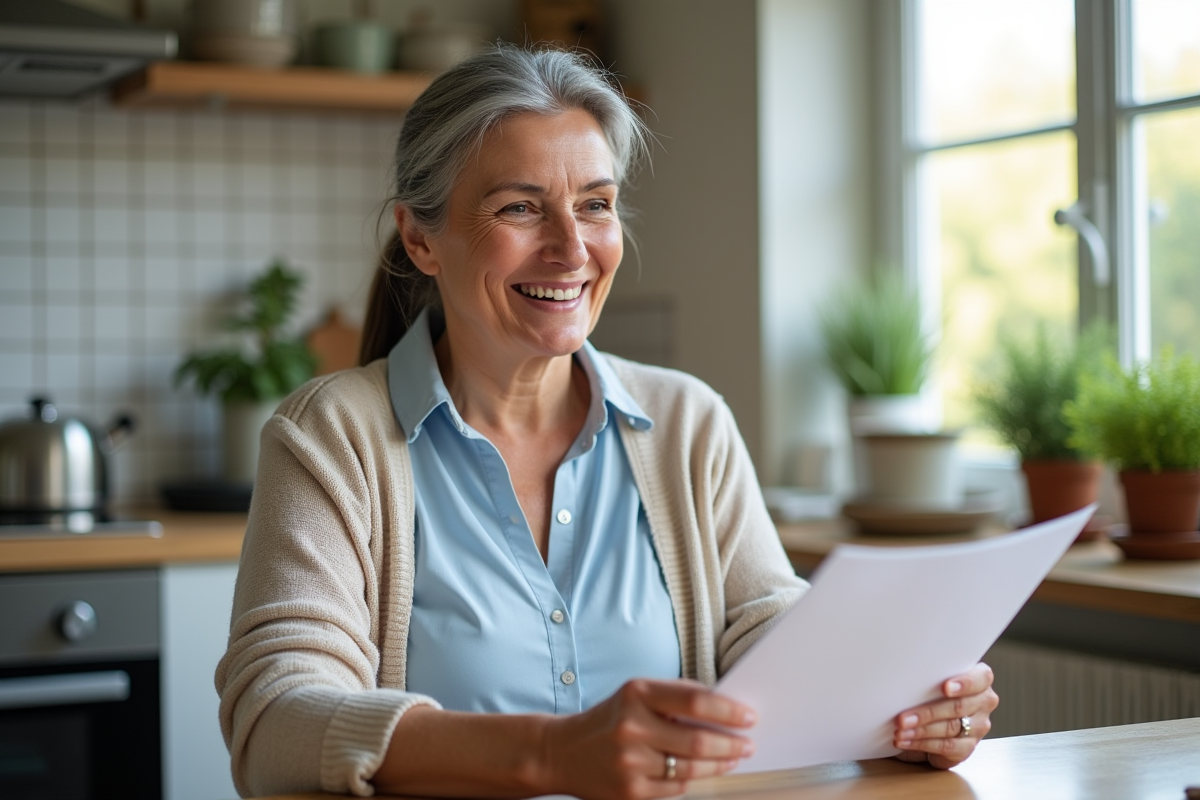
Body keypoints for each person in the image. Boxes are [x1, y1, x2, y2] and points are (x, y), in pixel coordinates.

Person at [215, 44, 998, 800]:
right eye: (520, 208)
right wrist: (553, 756)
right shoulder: (330, 437)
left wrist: (898, 702)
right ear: (421, 238)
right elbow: (275, 716)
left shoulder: (687, 421)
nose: (571, 248)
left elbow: (761, 624)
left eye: (595, 205)